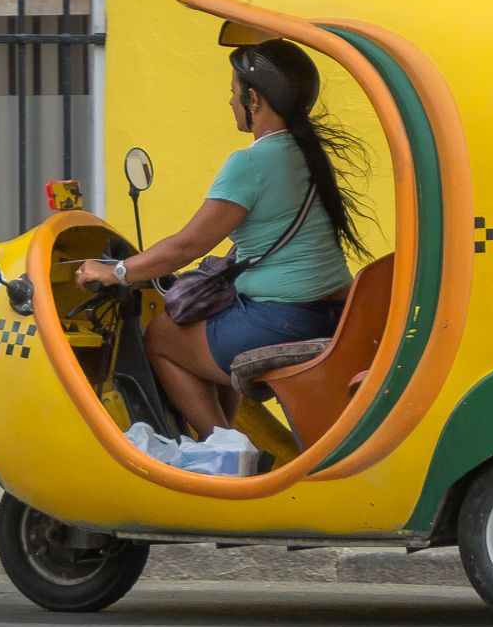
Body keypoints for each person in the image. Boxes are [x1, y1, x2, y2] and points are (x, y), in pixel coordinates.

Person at [74, 39, 371, 439]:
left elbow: (186, 246)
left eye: (233, 93)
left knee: (162, 336)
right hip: (337, 315)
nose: (230, 102)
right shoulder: (308, 152)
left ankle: (224, 448)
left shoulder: (252, 162)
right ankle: (229, 439)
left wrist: (117, 272)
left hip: (282, 320)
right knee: (209, 325)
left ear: (253, 98)